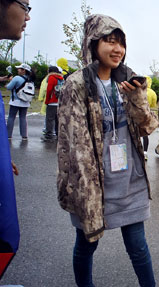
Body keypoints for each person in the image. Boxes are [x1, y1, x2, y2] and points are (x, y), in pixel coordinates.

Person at [56, 14, 158, 287]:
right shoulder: (76, 84)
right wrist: (85, 191)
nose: (117, 49)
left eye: (121, 43)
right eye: (110, 41)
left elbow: (148, 127)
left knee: (138, 246)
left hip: (129, 178)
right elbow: (74, 145)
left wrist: (137, 99)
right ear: (92, 43)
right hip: (93, 182)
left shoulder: (128, 78)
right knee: (86, 244)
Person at [0, 0, 30, 282]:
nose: (28, 17)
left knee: (12, 120)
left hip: (16, 105)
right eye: (26, 6)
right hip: (23, 107)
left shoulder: (16, 80)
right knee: (17, 122)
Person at [6, 63, 34, 140]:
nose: (18, 70)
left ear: (23, 70)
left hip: (15, 101)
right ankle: (24, 135)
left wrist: (10, 81)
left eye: (19, 68)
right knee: (23, 117)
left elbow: (9, 87)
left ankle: (8, 135)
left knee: (11, 117)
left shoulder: (16, 78)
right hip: (26, 101)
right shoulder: (30, 79)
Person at [41, 66, 63, 141]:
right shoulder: (61, 78)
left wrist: (47, 101)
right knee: (57, 119)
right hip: (60, 102)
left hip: (52, 102)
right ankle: (58, 134)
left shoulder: (51, 77)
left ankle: (49, 135)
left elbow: (49, 89)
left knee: (50, 119)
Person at [142, 76, 157, 160]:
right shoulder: (152, 93)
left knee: (135, 134)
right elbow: (154, 105)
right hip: (147, 115)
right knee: (145, 134)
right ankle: (145, 153)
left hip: (136, 114)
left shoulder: (138, 90)